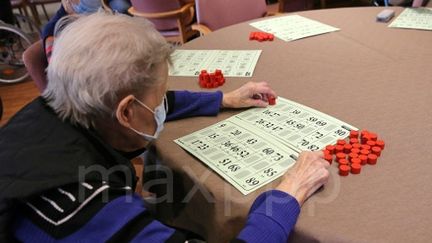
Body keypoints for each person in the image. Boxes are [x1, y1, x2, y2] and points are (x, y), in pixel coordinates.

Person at [0, 13, 330, 242]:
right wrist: (288, 195)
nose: (161, 105)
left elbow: (151, 104)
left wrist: (223, 99)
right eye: (156, 99)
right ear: (126, 112)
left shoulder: (53, 107)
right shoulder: (87, 205)